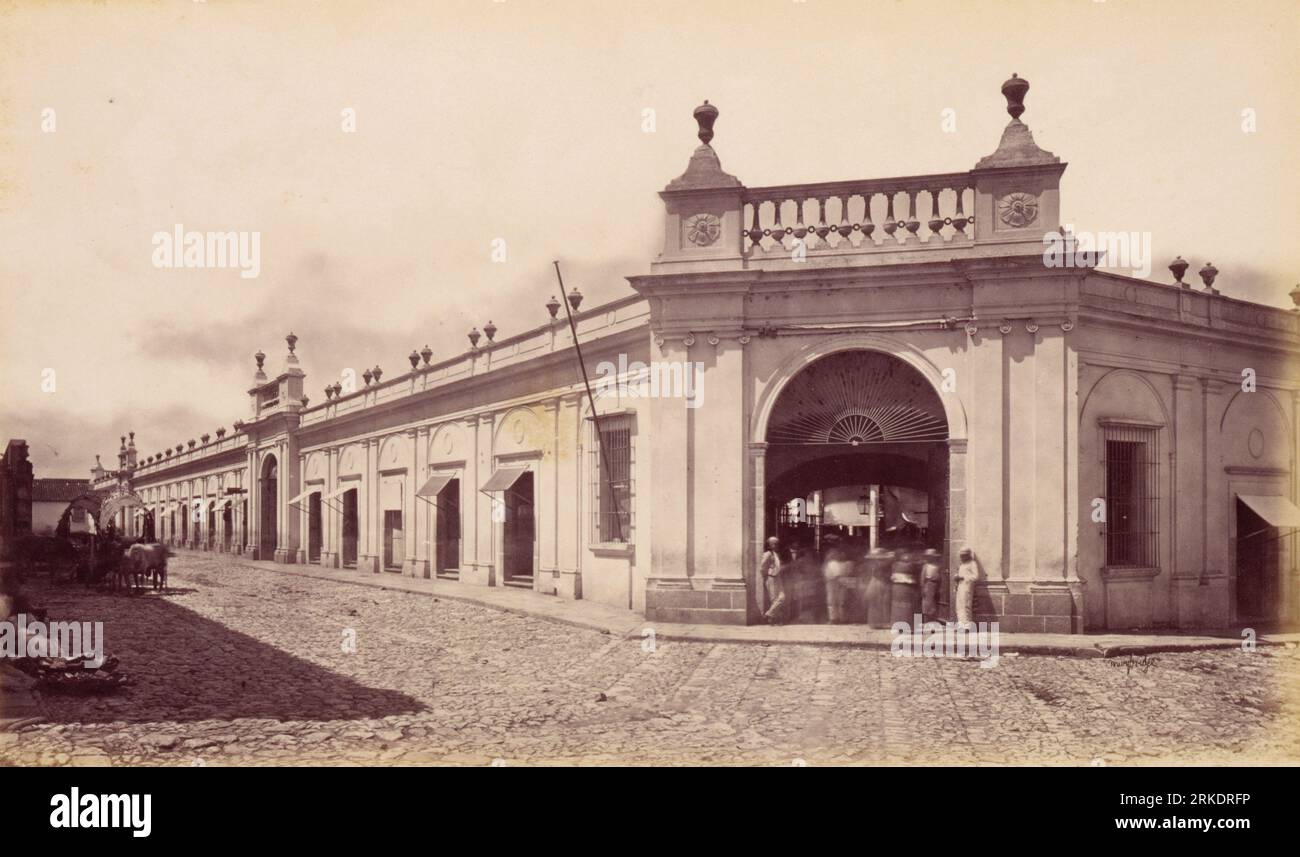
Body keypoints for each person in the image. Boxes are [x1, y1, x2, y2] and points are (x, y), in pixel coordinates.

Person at [758, 536, 787, 624]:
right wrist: (766, 576)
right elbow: (762, 566)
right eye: (774, 544)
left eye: (777, 544)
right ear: (770, 545)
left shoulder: (776, 554)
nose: (776, 545)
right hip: (771, 578)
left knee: (782, 597)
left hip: (778, 577)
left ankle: (768, 614)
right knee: (774, 599)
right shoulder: (768, 554)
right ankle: (774, 620)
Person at [954, 547, 979, 629]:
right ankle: (961, 625)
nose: (962, 557)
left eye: (964, 555)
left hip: (967, 587)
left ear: (968, 555)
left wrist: (963, 577)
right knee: (959, 606)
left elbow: (975, 576)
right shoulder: (962, 564)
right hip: (960, 587)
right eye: (961, 555)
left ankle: (967, 626)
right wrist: (957, 578)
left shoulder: (972, 563)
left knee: (966, 605)